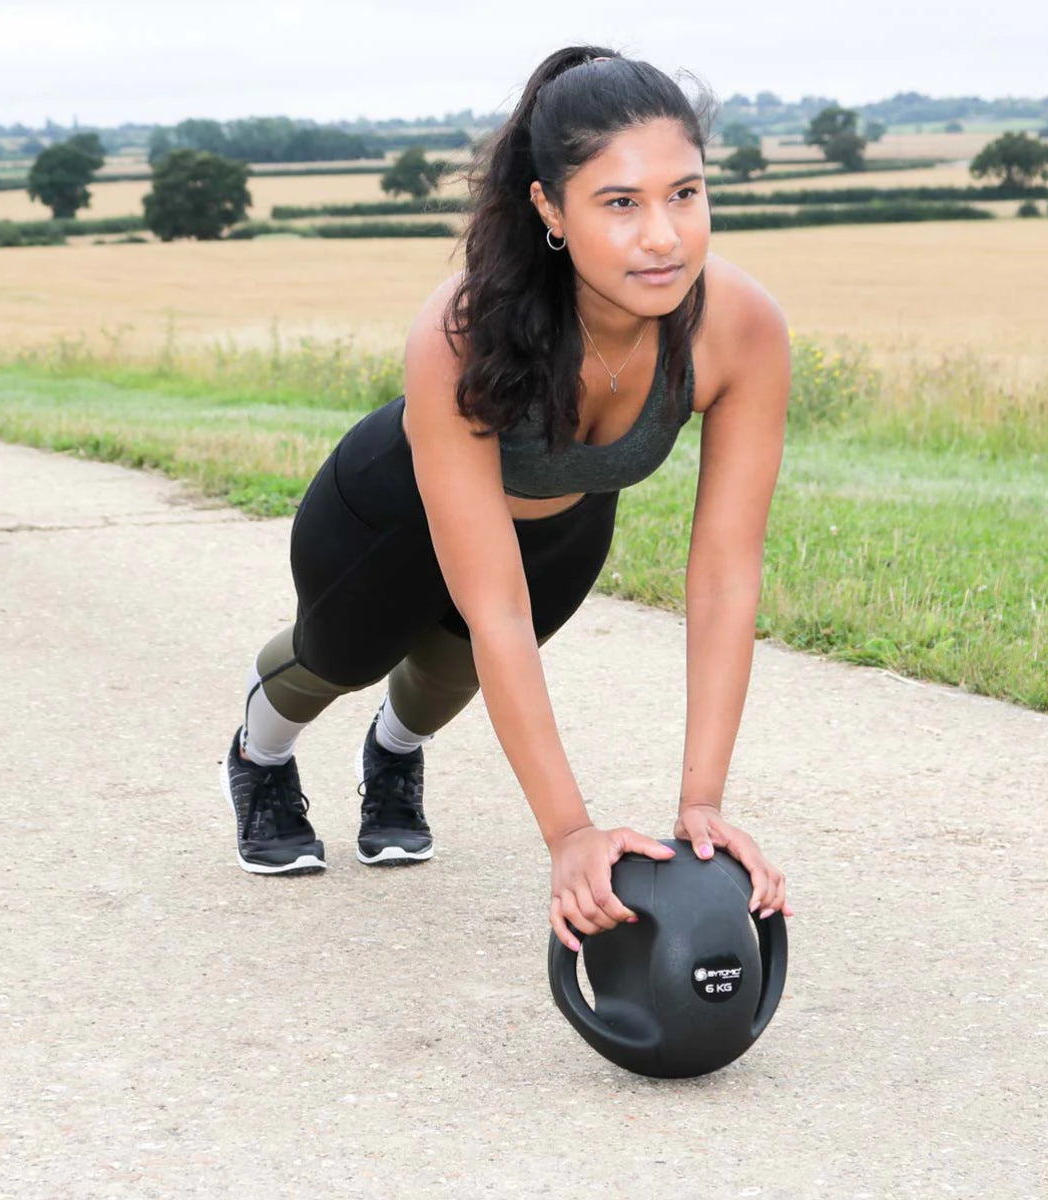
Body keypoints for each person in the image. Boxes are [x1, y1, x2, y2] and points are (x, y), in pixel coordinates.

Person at [220, 44, 793, 953]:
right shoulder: (462, 328)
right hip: (387, 516)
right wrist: (569, 836)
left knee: (447, 678)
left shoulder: (743, 327)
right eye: (620, 203)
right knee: (339, 659)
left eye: (685, 193)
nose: (664, 235)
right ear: (549, 208)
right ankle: (260, 756)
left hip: (563, 531)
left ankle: (395, 759)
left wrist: (702, 807)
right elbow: (493, 600)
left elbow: (725, 573)